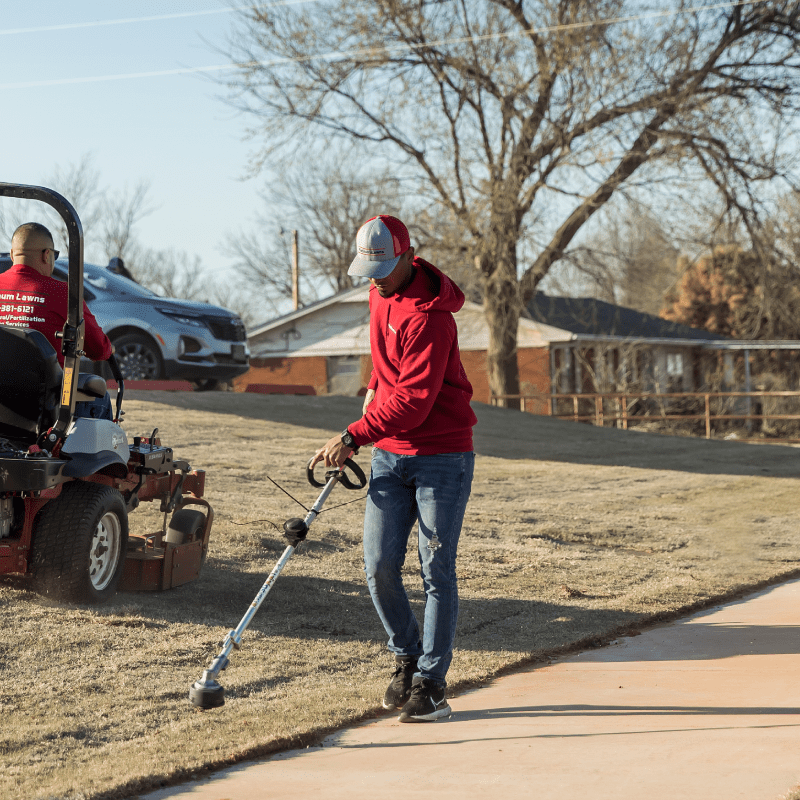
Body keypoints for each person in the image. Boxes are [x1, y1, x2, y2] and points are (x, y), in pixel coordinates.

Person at [311, 215, 477, 722]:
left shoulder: (431, 317)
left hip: (441, 456)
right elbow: (389, 371)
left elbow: (414, 403)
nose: (375, 277)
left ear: (409, 255)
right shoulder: (379, 293)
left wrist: (351, 436)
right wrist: (371, 393)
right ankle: (405, 657)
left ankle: (431, 683)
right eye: (369, 268)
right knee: (379, 566)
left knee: (435, 569)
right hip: (390, 453)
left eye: (383, 266)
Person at [0, 222, 114, 420]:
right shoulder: (63, 294)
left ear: (12, 255)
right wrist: (109, 348)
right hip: (45, 406)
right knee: (100, 397)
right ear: (47, 255)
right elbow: (98, 350)